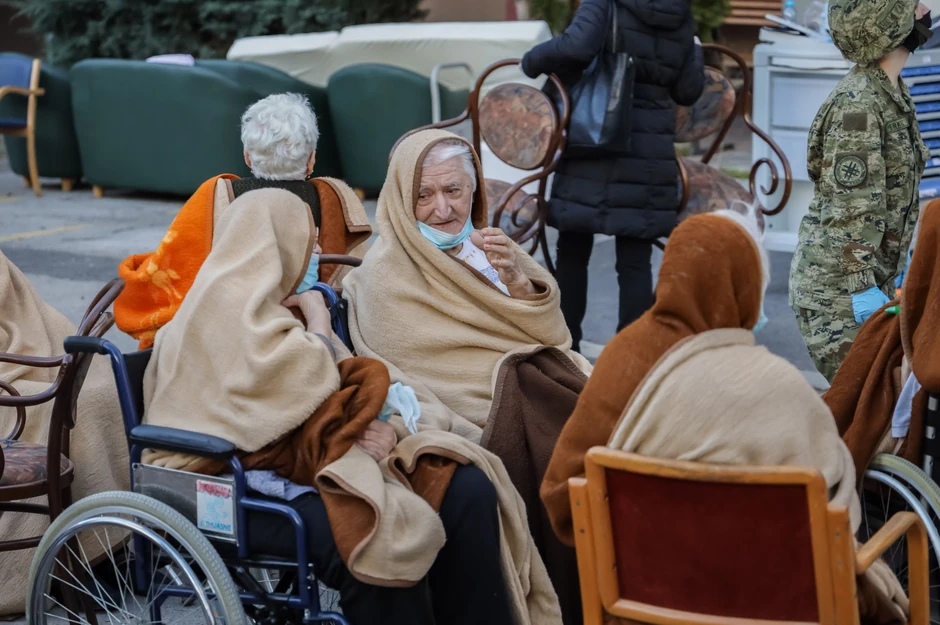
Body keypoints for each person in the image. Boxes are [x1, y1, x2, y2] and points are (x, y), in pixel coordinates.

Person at [141, 187, 519, 625]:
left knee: (465, 488)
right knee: (374, 538)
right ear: (272, 246)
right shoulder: (219, 315)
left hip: (300, 463)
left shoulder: (276, 309)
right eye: (309, 241)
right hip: (221, 483)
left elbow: (336, 387)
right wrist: (320, 321)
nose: (318, 253)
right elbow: (290, 398)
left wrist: (376, 427)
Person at [541, 208, 908, 624]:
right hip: (776, 610)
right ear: (746, 289)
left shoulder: (618, 359)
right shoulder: (781, 388)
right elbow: (830, 524)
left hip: (642, 608)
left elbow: (562, 497)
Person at [343, 129, 591, 625]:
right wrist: (512, 369)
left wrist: (518, 283)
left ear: (474, 191)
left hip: (536, 376)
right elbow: (426, 362)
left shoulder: (491, 246)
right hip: (479, 400)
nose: (442, 209)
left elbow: (555, 335)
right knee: (572, 447)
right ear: (401, 198)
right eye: (424, 195)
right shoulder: (384, 276)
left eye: (454, 190)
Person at [115, 92, 371, 349]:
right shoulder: (337, 202)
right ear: (312, 159)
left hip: (231, 338)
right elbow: (358, 284)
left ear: (247, 156)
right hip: (316, 331)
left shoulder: (216, 196)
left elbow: (177, 267)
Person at [520, 0, 705, 352]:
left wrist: (532, 60)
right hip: (649, 152)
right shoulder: (679, 12)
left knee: (573, 252)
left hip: (593, 139)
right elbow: (688, 90)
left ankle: (565, 351)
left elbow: (577, 46)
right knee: (635, 262)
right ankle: (631, 361)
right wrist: (694, 50)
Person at [789, 0, 932, 383]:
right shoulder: (861, 105)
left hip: (870, 282)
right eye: (912, 5)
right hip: (840, 294)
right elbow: (852, 208)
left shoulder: (889, 92)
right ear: (890, 22)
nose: (924, 10)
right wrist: (861, 289)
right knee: (864, 406)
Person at [0, 252, 128, 616]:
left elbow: (17, 310)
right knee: (75, 409)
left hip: (29, 359)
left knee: (96, 399)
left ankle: (101, 553)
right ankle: (88, 559)